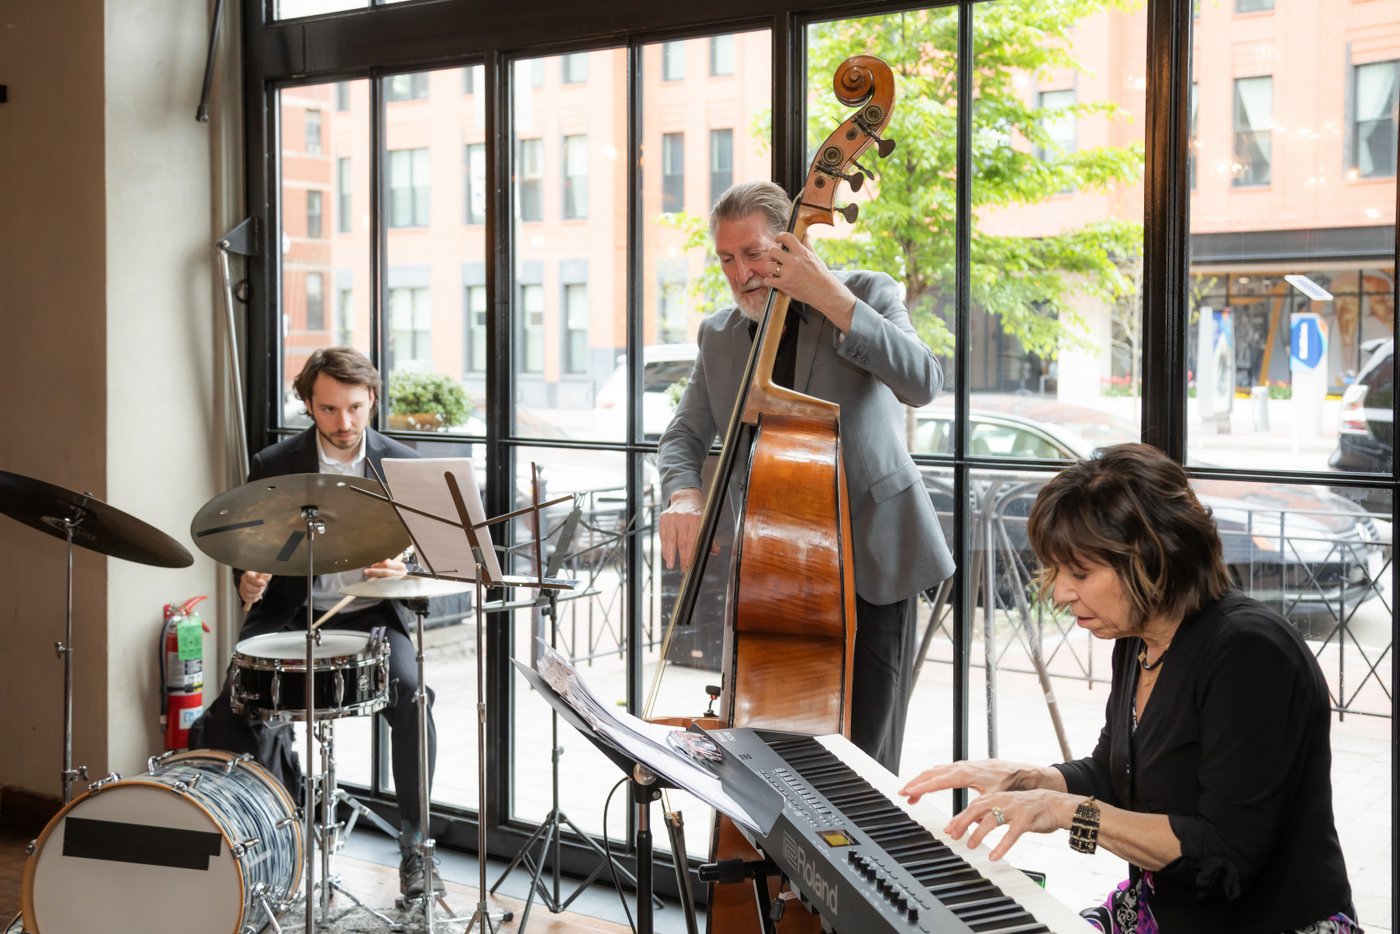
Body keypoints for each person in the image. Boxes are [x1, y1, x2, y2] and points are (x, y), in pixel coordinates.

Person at [899, 443, 1358, 934]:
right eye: (1058, 571)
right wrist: (1031, 779)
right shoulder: (1138, 640)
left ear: (1153, 558)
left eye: (1080, 572)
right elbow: (1112, 775)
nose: (1058, 592)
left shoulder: (1248, 653)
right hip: (1164, 912)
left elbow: (1223, 856)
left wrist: (1067, 811)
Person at [658, 180, 955, 772]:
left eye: (753, 253)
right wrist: (686, 496)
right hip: (776, 567)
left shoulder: (865, 292)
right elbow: (682, 435)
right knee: (774, 746)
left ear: (791, 245)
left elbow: (923, 382)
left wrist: (831, 298)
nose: (740, 272)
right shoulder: (719, 335)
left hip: (873, 558)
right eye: (726, 258)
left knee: (866, 758)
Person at [197, 347, 442, 899]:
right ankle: (261, 845)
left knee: (414, 697)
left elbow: (434, 551)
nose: (344, 423)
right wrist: (246, 580)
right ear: (309, 404)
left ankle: (416, 848)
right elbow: (245, 544)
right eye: (329, 409)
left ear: (372, 399)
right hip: (290, 610)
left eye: (355, 407)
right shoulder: (274, 464)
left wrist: (405, 567)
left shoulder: (403, 462)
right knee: (234, 710)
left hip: (373, 616)